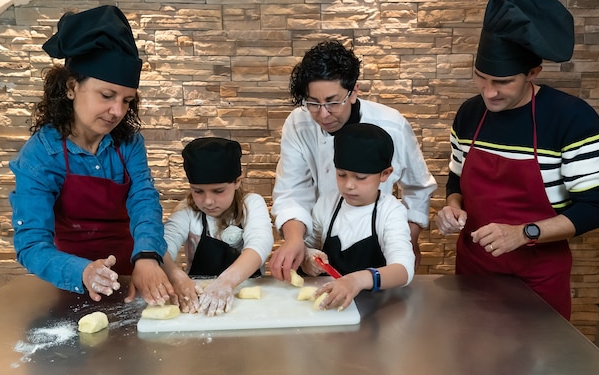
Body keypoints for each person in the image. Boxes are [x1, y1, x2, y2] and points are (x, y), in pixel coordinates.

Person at [435, 0, 599, 320]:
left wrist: (523, 232)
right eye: (481, 77)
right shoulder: (470, 114)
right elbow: (456, 180)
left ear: (532, 73)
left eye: (502, 81)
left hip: (537, 282)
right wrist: (452, 207)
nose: (489, 92)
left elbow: (595, 209)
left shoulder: (571, 118)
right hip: (473, 274)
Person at [9, 5, 173, 305]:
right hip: (72, 284)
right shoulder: (41, 154)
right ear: (72, 87)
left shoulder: (129, 144)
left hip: (134, 275)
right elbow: (31, 244)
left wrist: (148, 257)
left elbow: (144, 201)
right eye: (107, 96)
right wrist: (83, 272)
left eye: (127, 100)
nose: (118, 112)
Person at [270, 40, 436, 282]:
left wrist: (407, 239)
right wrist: (297, 243)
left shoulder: (391, 125)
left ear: (354, 91)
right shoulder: (298, 124)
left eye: (332, 101)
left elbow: (418, 187)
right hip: (325, 255)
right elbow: (292, 192)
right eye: (313, 103)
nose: (323, 114)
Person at [301, 123, 414, 311]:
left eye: (360, 177)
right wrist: (308, 257)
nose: (348, 185)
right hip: (329, 308)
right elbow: (308, 246)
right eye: (341, 175)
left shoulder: (391, 211)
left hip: (377, 311)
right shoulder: (327, 204)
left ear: (385, 174)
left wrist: (357, 280)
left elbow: (404, 270)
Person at [162, 137, 274, 316]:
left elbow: (260, 244)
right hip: (200, 302)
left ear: (237, 181)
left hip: (248, 304)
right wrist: (177, 276)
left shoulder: (251, 204)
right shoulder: (187, 210)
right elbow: (163, 247)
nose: (208, 201)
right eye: (198, 191)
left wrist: (225, 282)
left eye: (218, 191)